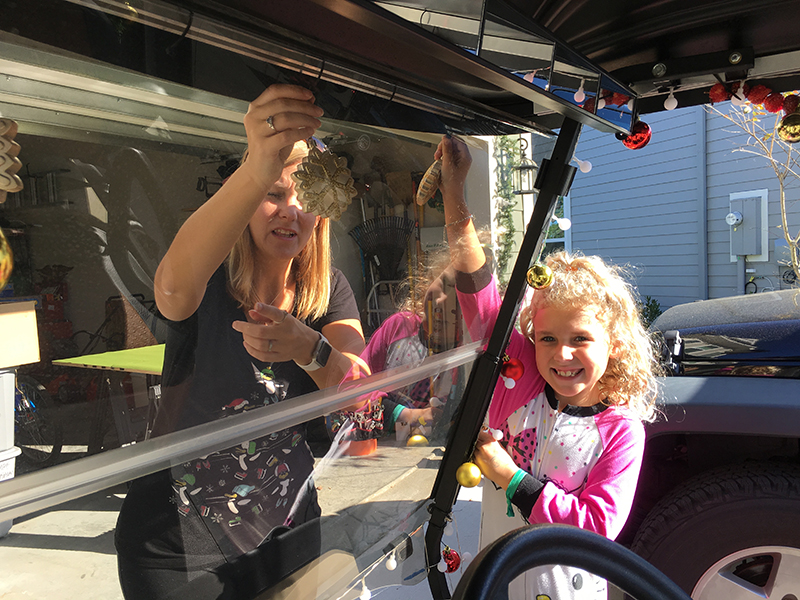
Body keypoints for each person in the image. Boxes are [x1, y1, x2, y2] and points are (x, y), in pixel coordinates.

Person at [114, 84, 365, 600]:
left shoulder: (327, 290)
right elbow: (171, 293)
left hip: (286, 528)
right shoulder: (210, 278)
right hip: (175, 539)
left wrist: (308, 348)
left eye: (302, 198)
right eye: (273, 194)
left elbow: (360, 393)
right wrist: (256, 167)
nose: (289, 211)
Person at [435, 134, 660, 599]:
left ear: (615, 344)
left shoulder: (620, 431)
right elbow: (478, 292)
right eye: (548, 339)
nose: (561, 355)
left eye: (581, 339)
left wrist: (508, 476)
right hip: (495, 584)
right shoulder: (523, 383)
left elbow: (596, 527)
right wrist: (454, 190)